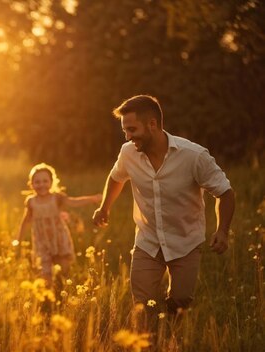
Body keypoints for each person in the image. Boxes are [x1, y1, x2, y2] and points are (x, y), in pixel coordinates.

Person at [92, 95, 235, 321]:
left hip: (185, 240)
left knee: (180, 302)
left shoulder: (194, 156)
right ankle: (149, 341)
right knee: (142, 306)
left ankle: (172, 336)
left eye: (132, 129)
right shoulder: (128, 153)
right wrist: (104, 208)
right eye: (125, 131)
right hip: (147, 242)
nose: (128, 137)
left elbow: (225, 192)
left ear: (152, 124)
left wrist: (223, 230)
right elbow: (116, 177)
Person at [14, 163, 101, 285]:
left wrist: (92, 199)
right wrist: (18, 239)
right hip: (42, 241)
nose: (41, 184)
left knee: (63, 272)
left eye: (45, 181)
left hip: (59, 238)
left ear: (51, 182)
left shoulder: (57, 197)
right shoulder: (31, 202)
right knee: (45, 274)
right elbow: (25, 221)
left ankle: (62, 290)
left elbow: (74, 202)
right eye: (37, 182)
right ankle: (48, 297)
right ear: (31, 184)